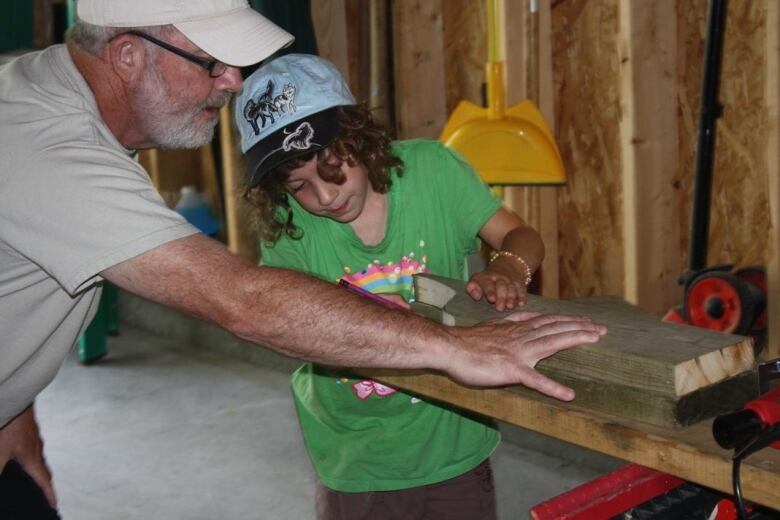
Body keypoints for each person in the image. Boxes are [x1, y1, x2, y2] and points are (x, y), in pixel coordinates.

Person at [0, 0, 606, 516]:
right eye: (212, 62)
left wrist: (12, 406)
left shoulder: (61, 116)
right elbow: (244, 299)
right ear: (128, 56)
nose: (233, 81)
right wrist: (456, 347)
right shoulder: (50, 143)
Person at [235, 54, 554, 519]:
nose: (325, 196)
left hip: (455, 443)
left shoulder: (434, 172)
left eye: (331, 165)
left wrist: (507, 268)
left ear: (358, 134)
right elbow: (286, 324)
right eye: (299, 185)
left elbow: (521, 237)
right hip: (355, 458)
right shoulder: (288, 227)